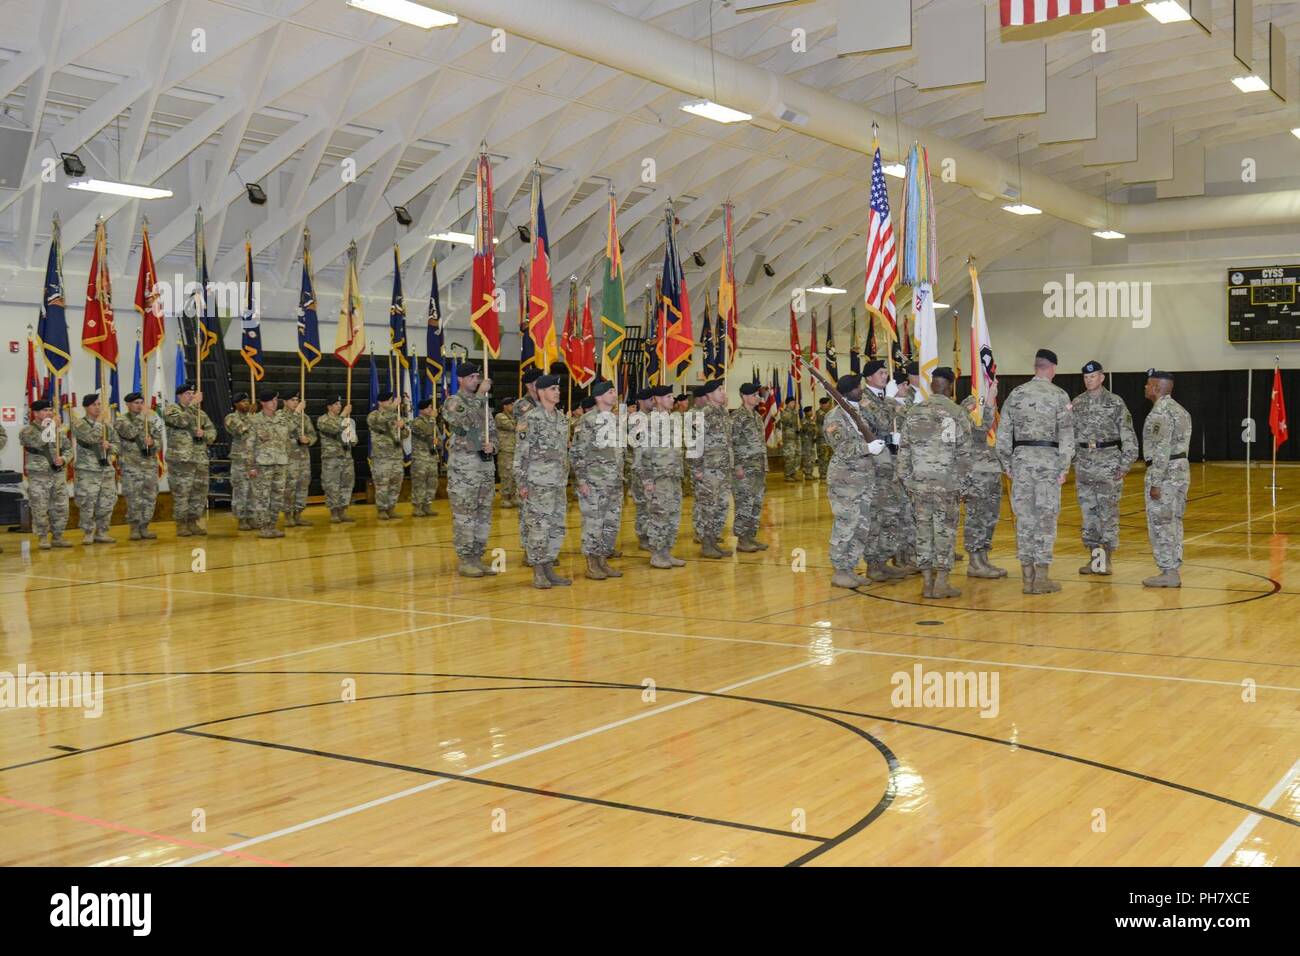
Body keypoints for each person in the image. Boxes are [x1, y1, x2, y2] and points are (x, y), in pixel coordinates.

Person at [994, 348, 1075, 594]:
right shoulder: (1060, 395)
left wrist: (1008, 466)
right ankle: (1041, 578)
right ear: (1052, 368)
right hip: (1049, 464)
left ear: (1035, 367)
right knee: (1046, 520)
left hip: (1021, 463)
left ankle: (1027, 577)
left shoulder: (1016, 395)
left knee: (1025, 520)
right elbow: (1067, 436)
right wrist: (1064, 467)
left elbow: (1003, 437)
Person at [899, 367, 971, 599]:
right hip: (946, 485)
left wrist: (909, 481)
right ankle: (941, 582)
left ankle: (927, 583)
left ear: (932, 386)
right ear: (950, 386)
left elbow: (904, 451)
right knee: (944, 532)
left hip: (919, 485)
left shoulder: (914, 411)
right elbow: (964, 453)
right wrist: (962, 484)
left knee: (923, 532)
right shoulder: (956, 412)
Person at [1072, 360, 1138, 575]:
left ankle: (1107, 560)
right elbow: (1069, 435)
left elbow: (1128, 435)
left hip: (1109, 463)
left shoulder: (1115, 402)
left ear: (1102, 377)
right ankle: (1094, 560)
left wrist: (1125, 464)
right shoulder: (1077, 403)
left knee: (1107, 514)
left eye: (1093, 376)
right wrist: (1072, 461)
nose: (1089, 380)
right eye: (1086, 377)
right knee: (1087, 514)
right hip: (1084, 464)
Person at [824, 373, 886, 588]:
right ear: (848, 390)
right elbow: (842, 448)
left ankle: (850, 567)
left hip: (864, 479)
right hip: (845, 481)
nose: (861, 390)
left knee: (861, 526)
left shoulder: (859, 412)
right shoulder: (835, 417)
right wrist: (867, 448)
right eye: (858, 387)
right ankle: (839, 569)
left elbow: (879, 427)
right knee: (845, 524)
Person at [443, 363, 499, 577]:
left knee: (483, 514)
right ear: (461, 379)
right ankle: (466, 559)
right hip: (464, 470)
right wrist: (481, 395)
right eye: (473, 377)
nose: (477, 381)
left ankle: (477, 556)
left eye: (478, 377)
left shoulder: (483, 404)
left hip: (484, 466)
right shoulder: (453, 402)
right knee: (465, 515)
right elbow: (462, 421)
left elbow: (492, 433)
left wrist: (492, 446)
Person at [515, 374, 571, 588]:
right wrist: (522, 483)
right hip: (537, 482)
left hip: (557, 483)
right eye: (553, 389)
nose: (557, 392)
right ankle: (538, 571)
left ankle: (549, 568)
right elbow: (521, 454)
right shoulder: (531, 419)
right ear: (541, 392)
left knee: (556, 527)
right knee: (538, 526)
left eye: (558, 388)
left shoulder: (562, 419)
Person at [859, 360, 909, 582]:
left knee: (892, 513)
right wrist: (892, 400)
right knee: (877, 515)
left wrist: (896, 400)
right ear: (869, 377)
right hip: (875, 466)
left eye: (885, 372)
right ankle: (873, 564)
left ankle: (883, 560)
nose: (885, 376)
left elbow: (904, 416)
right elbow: (880, 421)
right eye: (880, 372)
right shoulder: (864, 399)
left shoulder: (882, 399)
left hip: (891, 463)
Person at [1141, 370, 1192, 588]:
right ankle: (1172, 568)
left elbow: (1161, 449)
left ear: (1156, 388)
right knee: (1174, 521)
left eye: (1148, 384)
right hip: (1180, 470)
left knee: (1161, 522)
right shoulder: (1180, 410)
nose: (1145, 387)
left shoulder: (1159, 413)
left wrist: (1155, 482)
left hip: (1165, 473)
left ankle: (1168, 571)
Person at [571, 381, 624, 580]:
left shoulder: (616, 420)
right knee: (594, 523)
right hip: (594, 482)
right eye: (611, 392)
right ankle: (592, 562)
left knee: (611, 523)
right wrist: (582, 480)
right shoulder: (588, 420)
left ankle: (603, 559)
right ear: (599, 397)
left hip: (614, 481)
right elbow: (577, 452)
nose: (614, 395)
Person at [960, 391, 1007, 578]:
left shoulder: (993, 404)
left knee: (991, 517)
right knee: (977, 517)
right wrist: (986, 406)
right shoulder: (971, 402)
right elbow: (978, 429)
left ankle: (984, 558)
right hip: (977, 471)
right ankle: (974, 561)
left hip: (992, 469)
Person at [637, 385, 685, 569]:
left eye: (672, 396)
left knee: (672, 516)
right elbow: (642, 454)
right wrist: (647, 480)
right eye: (668, 396)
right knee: (659, 516)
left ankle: (666, 552)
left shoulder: (673, 421)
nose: (672, 399)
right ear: (657, 399)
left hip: (673, 476)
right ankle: (657, 554)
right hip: (658, 478)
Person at [163, 383, 216, 536]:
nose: (191, 396)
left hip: (199, 459)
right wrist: (192, 406)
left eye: (193, 393)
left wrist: (203, 434)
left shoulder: (201, 414)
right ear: (179, 396)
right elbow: (181, 421)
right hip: (181, 460)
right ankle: (181, 524)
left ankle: (193, 521)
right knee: (182, 492)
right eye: (187, 393)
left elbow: (212, 433)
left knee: (199, 492)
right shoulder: (172, 410)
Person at [19, 399, 72, 549]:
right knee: (40, 508)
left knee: (61, 507)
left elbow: (68, 449)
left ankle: (58, 536)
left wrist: (64, 458)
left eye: (50, 410)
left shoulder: (58, 431)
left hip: (58, 474)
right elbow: (40, 441)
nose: (49, 413)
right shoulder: (27, 431)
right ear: (35, 413)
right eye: (45, 410)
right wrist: (53, 426)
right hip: (39, 475)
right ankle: (43, 537)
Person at [115, 392, 164, 540]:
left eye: (141, 402)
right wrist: (143, 419)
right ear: (128, 405)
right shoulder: (121, 420)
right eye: (136, 403)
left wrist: (153, 443)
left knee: (149, 497)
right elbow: (129, 433)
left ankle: (145, 526)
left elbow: (159, 442)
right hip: (132, 466)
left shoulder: (149, 422)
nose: (139, 405)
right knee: (134, 497)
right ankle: (134, 528)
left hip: (149, 465)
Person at [692, 379, 732, 558]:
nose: (723, 392)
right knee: (708, 507)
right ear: (709, 394)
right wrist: (697, 469)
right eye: (719, 389)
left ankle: (714, 541)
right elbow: (695, 442)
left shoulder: (723, 412)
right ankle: (706, 544)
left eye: (723, 389)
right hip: (708, 469)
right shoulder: (704, 414)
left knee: (721, 506)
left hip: (723, 468)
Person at [71, 392, 119, 544]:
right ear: (86, 407)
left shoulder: (106, 426)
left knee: (107, 502)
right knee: (87, 502)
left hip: (105, 470)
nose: (98, 408)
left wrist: (110, 446)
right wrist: (100, 423)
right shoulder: (78, 424)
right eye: (94, 405)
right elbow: (90, 437)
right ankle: (88, 532)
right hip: (88, 471)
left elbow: (118, 446)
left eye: (99, 405)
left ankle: (102, 532)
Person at [730, 381, 769, 552]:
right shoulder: (737, 417)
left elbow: (760, 443)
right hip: (744, 469)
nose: (757, 397)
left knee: (756, 504)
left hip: (758, 468)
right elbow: (731, 443)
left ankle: (750, 537)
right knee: (744, 504)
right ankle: (742, 540)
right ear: (745, 397)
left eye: (757, 394)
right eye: (754, 395)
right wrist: (737, 466)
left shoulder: (757, 417)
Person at [247, 389, 289, 538]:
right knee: (263, 497)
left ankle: (272, 525)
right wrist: (251, 467)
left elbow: (287, 442)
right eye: (271, 400)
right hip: (262, 465)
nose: (274, 403)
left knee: (277, 497)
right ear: (263, 403)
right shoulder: (254, 420)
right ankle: (264, 527)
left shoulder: (282, 419)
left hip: (281, 463)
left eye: (275, 400)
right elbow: (249, 445)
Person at [280, 391, 318, 527]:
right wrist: (296, 413)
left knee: (302, 486)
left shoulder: (304, 417)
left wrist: (308, 440)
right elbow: (286, 429)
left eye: (297, 400)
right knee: (289, 487)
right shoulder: (280, 416)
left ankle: (298, 514)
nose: (295, 402)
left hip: (303, 458)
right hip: (289, 458)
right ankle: (288, 515)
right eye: (292, 400)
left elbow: (313, 435)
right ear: (284, 402)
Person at [367, 390, 406, 519]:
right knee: (382, 485)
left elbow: (405, 435)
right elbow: (381, 419)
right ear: (380, 402)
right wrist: (394, 406)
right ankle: (382, 509)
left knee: (396, 484)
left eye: (391, 400)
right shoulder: (374, 415)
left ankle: (391, 508)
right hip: (382, 457)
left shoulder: (396, 415)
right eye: (388, 400)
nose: (390, 402)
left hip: (396, 456)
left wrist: (403, 427)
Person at [317, 396, 356, 523]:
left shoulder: (347, 421)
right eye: (336, 404)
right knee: (332, 485)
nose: (339, 406)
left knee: (346, 485)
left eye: (340, 404)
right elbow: (334, 428)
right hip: (331, 459)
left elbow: (354, 441)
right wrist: (344, 415)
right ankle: (334, 512)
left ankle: (342, 511)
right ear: (329, 407)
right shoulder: (323, 420)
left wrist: (351, 438)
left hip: (346, 458)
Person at [224, 392, 254, 530]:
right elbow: (241, 430)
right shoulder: (231, 417)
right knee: (241, 490)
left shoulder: (254, 417)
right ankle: (241, 518)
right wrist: (252, 418)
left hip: (254, 459)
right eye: (243, 401)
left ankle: (252, 517)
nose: (246, 403)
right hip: (240, 460)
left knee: (254, 491)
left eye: (247, 401)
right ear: (236, 404)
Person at [630, 387, 655, 551]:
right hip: (640, 469)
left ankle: (650, 534)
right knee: (643, 506)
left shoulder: (652, 418)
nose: (653, 402)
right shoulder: (637, 420)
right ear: (641, 401)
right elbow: (638, 448)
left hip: (651, 467)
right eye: (649, 399)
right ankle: (643, 536)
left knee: (651, 505)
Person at [409, 397, 440, 517]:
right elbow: (427, 431)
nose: (431, 409)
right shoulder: (417, 422)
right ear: (422, 409)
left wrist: (438, 441)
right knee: (419, 483)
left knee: (432, 483)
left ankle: (427, 505)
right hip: (420, 458)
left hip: (431, 457)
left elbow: (438, 437)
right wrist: (432, 419)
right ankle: (417, 507)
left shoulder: (433, 422)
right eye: (429, 407)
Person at [495, 395, 518, 507]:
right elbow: (511, 426)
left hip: (515, 450)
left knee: (515, 475)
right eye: (511, 405)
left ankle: (513, 496)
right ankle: (504, 498)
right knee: (506, 475)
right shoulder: (500, 416)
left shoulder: (515, 416)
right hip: (506, 451)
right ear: (505, 406)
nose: (513, 407)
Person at [780, 399, 800, 480]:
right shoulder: (785, 412)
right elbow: (786, 421)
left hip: (795, 438)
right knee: (789, 457)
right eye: (792, 403)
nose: (794, 404)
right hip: (788, 439)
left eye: (794, 402)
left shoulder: (794, 412)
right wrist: (795, 412)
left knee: (796, 457)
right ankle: (788, 475)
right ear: (787, 404)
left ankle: (793, 474)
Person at [799, 405, 820, 480]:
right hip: (806, 443)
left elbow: (816, 430)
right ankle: (807, 474)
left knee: (812, 458)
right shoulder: (803, 421)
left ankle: (810, 473)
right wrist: (812, 425)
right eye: (810, 411)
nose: (811, 412)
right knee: (807, 458)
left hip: (811, 442)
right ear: (806, 413)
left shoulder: (811, 421)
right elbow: (806, 430)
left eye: (811, 411)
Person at [815, 396, 833, 479]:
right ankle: (823, 473)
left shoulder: (829, 412)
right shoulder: (819, 413)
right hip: (822, 438)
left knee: (830, 456)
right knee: (823, 456)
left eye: (829, 403)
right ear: (822, 404)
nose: (828, 405)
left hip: (830, 438)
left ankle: (829, 472)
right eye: (827, 403)